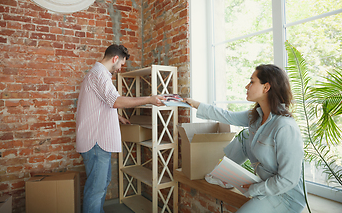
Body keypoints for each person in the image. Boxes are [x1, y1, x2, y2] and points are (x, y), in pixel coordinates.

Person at [186, 64, 306, 213]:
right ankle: (222, 175)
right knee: (246, 135)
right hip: (265, 182)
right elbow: (227, 116)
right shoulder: (257, 116)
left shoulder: (285, 127)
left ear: (266, 87)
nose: (246, 86)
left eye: (252, 81)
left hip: (286, 196)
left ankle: (224, 177)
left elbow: (288, 180)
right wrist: (195, 104)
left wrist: (255, 189)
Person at [76, 44, 165, 213]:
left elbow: (97, 105)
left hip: (96, 140)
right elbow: (115, 101)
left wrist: (117, 117)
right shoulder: (100, 74)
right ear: (115, 59)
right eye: (121, 65)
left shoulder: (96, 74)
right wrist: (150, 99)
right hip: (95, 142)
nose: (120, 69)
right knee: (96, 189)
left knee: (101, 183)